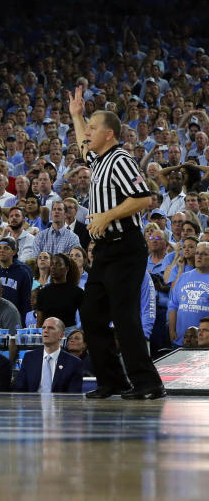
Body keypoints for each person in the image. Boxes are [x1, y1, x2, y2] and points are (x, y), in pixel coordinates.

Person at [68, 86, 165, 400]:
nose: (88, 134)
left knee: (124, 317)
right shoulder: (98, 159)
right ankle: (114, 381)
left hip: (126, 246)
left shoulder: (121, 160)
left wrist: (107, 216)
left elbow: (145, 198)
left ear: (109, 134)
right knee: (91, 313)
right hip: (107, 249)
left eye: (94, 128)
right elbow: (83, 144)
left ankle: (149, 383)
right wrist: (77, 115)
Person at [13, 317, 83, 393]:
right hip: (32, 403)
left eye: (51, 328)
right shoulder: (29, 358)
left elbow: (73, 397)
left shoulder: (74, 363)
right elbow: (19, 389)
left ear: (61, 335)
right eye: (43, 328)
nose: (45, 330)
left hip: (60, 404)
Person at [168, 242, 209, 347]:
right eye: (197, 253)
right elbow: (173, 306)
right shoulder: (183, 277)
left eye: (204, 254)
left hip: (204, 343)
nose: (199, 256)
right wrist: (172, 330)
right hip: (181, 339)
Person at [0, 236, 33, 319]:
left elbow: (26, 301)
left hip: (14, 317)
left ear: (14, 252)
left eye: (6, 248)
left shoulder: (24, 271)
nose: (2, 251)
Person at [35, 254, 84, 328]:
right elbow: (39, 323)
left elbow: (85, 319)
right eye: (52, 264)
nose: (53, 267)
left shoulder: (77, 292)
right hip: (48, 334)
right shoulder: (43, 292)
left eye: (58, 264)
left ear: (66, 268)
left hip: (69, 335)